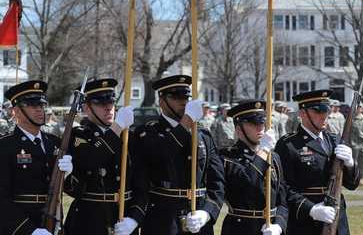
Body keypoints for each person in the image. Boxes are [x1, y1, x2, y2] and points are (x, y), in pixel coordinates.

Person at [134, 75, 225, 235]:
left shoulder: (203, 134)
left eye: (186, 97)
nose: (183, 102)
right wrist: (186, 122)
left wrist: (207, 212)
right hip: (163, 221)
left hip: (198, 219)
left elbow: (217, 181)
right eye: (176, 97)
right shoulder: (147, 132)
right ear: (161, 102)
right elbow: (159, 156)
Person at [62, 78, 145, 235]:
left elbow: (142, 184)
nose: (108, 108)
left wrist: (134, 218)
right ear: (87, 108)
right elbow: (91, 160)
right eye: (100, 104)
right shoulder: (78, 136)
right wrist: (117, 127)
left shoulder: (129, 137)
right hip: (89, 220)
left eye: (111, 102)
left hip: (124, 218)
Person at [274, 90, 360, 235]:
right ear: (302, 113)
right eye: (318, 111)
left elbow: (351, 184)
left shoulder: (334, 140)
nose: (325, 115)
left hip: (337, 217)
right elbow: (283, 189)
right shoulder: (289, 145)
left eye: (326, 110)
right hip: (304, 222)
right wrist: (311, 209)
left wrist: (351, 164)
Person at [0, 80, 74, 235]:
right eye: (33, 105)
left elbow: (76, 190)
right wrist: (29, 231)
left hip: (53, 224)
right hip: (19, 227)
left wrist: (68, 175)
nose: (40, 110)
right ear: (17, 111)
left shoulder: (55, 143)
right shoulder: (5, 146)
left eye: (41, 105)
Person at [219, 99, 287, 235]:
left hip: (271, 229)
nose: (260, 127)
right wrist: (263, 152)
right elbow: (248, 185)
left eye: (262, 122)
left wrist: (278, 225)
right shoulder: (227, 158)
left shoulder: (273, 157)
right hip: (241, 229)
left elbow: (282, 201)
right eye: (253, 123)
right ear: (239, 129)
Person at [350, 103, 363, 186]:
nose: (358, 109)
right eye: (357, 107)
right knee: (354, 162)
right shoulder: (350, 119)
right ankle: (353, 178)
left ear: (362, 109)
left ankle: (362, 178)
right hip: (354, 143)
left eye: (360, 108)